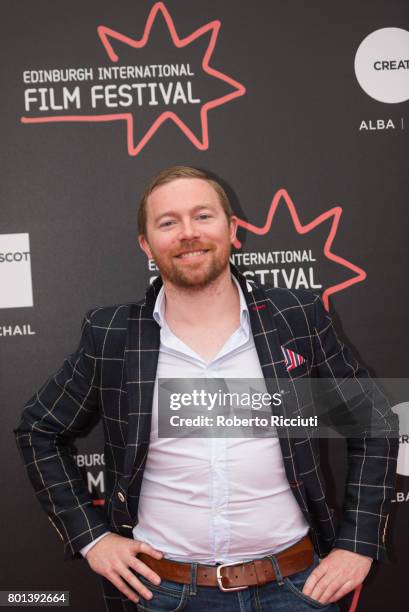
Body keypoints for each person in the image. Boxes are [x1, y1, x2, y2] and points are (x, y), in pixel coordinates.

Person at [14, 166, 399, 612]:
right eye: (168, 222)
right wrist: (91, 537)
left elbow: (373, 422)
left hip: (296, 589)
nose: (188, 234)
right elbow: (38, 430)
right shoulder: (113, 335)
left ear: (233, 229)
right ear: (146, 244)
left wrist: (359, 543)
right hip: (164, 593)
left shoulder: (296, 317)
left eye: (202, 216)